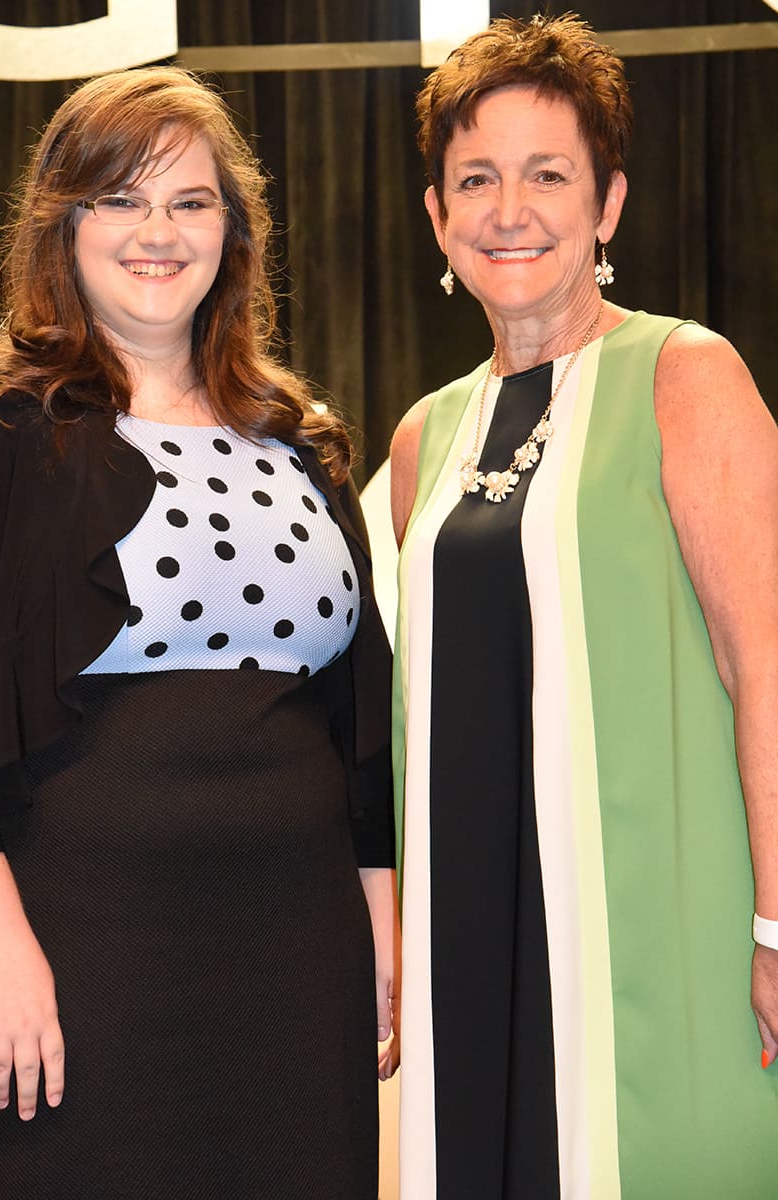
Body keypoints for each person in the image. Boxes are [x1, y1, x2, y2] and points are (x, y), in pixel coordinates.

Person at [0, 65, 399, 1199]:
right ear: (61, 224)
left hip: (295, 953)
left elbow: (356, 713)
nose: (156, 232)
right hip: (71, 951)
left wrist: (380, 921)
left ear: (235, 228)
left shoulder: (299, 439)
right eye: (118, 199)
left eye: (189, 200)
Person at [390, 13, 778, 1199]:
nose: (511, 208)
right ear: (437, 217)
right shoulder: (423, 437)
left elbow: (762, 663)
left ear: (606, 203)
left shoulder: (684, 374)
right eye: (477, 178)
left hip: (661, 929)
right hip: (469, 942)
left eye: (548, 173)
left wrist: (777, 928)